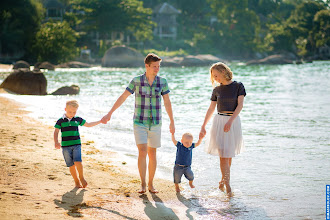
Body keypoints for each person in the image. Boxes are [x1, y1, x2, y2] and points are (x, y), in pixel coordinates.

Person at [101, 53, 175, 194]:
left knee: (152, 153)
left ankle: (151, 184)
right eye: (154, 66)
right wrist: (110, 113)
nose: (157, 69)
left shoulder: (162, 82)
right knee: (142, 151)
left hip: (155, 123)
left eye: (158, 66)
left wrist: (172, 121)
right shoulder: (136, 81)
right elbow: (123, 96)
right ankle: (142, 184)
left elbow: (167, 102)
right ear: (146, 66)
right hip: (139, 122)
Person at [199, 62, 246, 196]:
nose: (215, 79)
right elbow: (211, 109)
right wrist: (203, 126)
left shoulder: (238, 86)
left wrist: (230, 121)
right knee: (223, 156)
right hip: (219, 122)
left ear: (224, 72)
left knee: (228, 155)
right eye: (213, 76)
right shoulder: (217, 90)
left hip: (233, 122)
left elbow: (240, 105)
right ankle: (228, 186)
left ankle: (222, 181)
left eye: (216, 75)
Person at [54, 100, 103, 188]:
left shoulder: (77, 119)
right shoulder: (60, 121)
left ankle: (81, 177)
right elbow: (56, 131)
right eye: (70, 112)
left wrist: (100, 121)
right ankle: (76, 181)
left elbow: (88, 124)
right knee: (71, 165)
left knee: (78, 161)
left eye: (74, 112)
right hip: (65, 147)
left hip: (76, 144)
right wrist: (56, 142)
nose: (72, 114)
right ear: (65, 109)